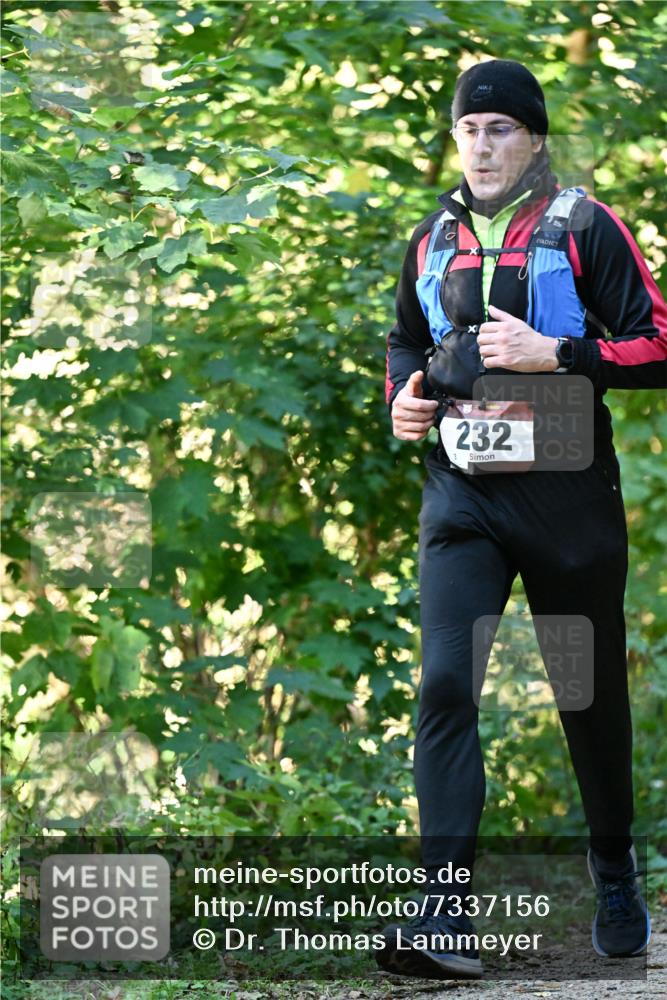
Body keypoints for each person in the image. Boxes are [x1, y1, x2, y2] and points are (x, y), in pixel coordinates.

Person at [378, 59, 666, 981]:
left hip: (566, 497)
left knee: (585, 695)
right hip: (462, 495)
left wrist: (559, 353)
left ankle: (613, 868)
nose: (482, 145)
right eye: (468, 130)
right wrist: (401, 400)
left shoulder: (583, 225)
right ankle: (443, 914)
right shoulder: (431, 236)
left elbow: (658, 343)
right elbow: (406, 343)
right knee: (443, 684)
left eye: (499, 129)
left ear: (533, 138)